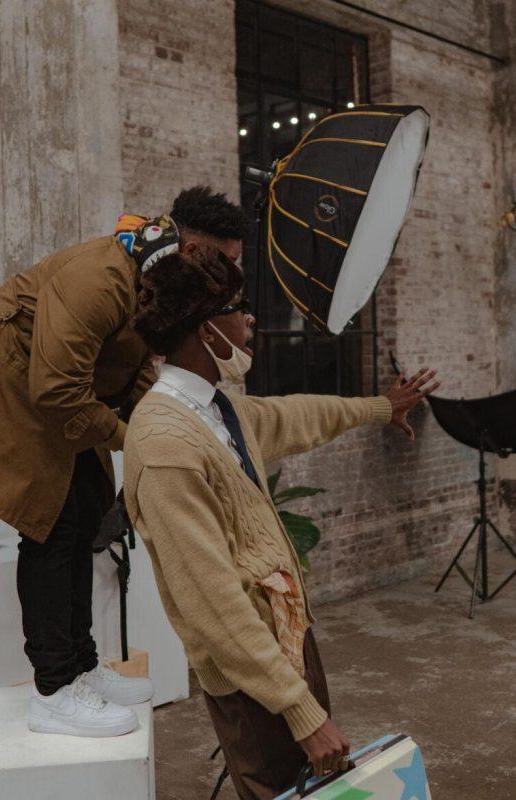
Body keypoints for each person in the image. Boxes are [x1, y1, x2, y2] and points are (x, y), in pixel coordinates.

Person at [0, 185, 249, 737]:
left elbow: (140, 360)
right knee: (51, 527)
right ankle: (53, 690)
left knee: (90, 511)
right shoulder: (96, 280)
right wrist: (131, 437)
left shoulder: (160, 274)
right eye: (226, 260)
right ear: (192, 246)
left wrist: (154, 418)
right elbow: (54, 390)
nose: (228, 276)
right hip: (18, 384)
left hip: (70, 391)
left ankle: (83, 667)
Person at [122, 244, 439, 799]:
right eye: (238, 307)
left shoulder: (218, 407)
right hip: (249, 671)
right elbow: (211, 597)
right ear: (204, 329)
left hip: (286, 633)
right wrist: (301, 711)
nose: (249, 320)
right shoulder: (162, 440)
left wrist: (381, 408)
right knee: (276, 787)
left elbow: (295, 415)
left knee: (316, 788)